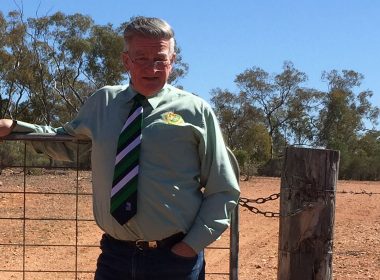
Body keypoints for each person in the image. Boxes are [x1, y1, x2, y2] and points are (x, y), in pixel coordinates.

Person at [0, 16, 240, 280]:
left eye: (160, 59)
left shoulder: (196, 111)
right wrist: (15, 127)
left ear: (172, 61)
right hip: (115, 256)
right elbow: (67, 143)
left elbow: (223, 188)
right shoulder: (103, 102)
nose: (153, 67)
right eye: (142, 58)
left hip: (174, 260)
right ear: (127, 60)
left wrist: (189, 247)